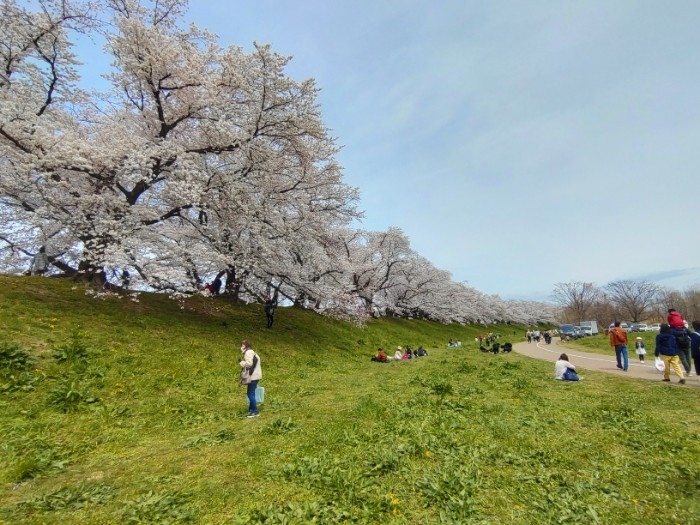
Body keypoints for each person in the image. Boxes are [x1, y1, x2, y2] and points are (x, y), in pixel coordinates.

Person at [239, 340, 263, 417]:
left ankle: (255, 411)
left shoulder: (248, 352)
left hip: (253, 376)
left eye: (243, 345)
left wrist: (241, 363)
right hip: (256, 375)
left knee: (250, 394)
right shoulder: (253, 352)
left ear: (246, 346)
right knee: (252, 393)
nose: (241, 347)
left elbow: (249, 364)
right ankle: (251, 410)